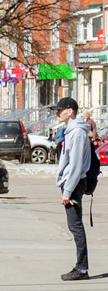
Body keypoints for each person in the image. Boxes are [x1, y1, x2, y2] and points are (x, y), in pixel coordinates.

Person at [54, 97, 93, 281]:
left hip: (75, 183)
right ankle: (81, 267)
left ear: (70, 111)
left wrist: (67, 191)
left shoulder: (77, 133)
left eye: (59, 110)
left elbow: (76, 165)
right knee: (74, 225)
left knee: (76, 225)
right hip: (72, 182)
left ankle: (82, 268)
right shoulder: (71, 131)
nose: (57, 113)